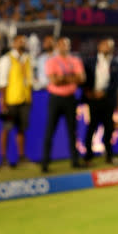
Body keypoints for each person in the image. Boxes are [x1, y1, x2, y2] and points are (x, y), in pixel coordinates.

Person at [41, 36, 85, 172]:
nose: (64, 47)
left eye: (66, 44)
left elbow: (82, 78)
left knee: (73, 131)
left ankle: (75, 160)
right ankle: (45, 163)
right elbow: (55, 81)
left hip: (70, 99)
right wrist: (72, 78)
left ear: (69, 46)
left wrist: (63, 78)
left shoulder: (75, 60)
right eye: (61, 44)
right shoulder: (51, 61)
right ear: (57, 46)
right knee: (50, 130)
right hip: (55, 98)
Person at [0, 33, 34, 167]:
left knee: (21, 129)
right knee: (6, 128)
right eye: (19, 41)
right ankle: (3, 159)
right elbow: (2, 83)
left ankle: (22, 157)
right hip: (11, 101)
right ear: (13, 43)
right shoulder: (6, 60)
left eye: (24, 41)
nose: (22, 43)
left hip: (24, 99)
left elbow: (29, 80)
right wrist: (3, 102)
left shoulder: (27, 59)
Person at [82, 38, 118, 165]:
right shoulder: (90, 61)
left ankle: (109, 156)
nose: (107, 48)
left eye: (110, 46)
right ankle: (88, 157)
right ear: (99, 46)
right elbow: (84, 79)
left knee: (109, 129)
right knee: (91, 127)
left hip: (108, 100)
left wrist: (104, 92)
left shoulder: (115, 63)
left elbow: (117, 82)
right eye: (105, 45)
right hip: (93, 100)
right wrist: (89, 92)